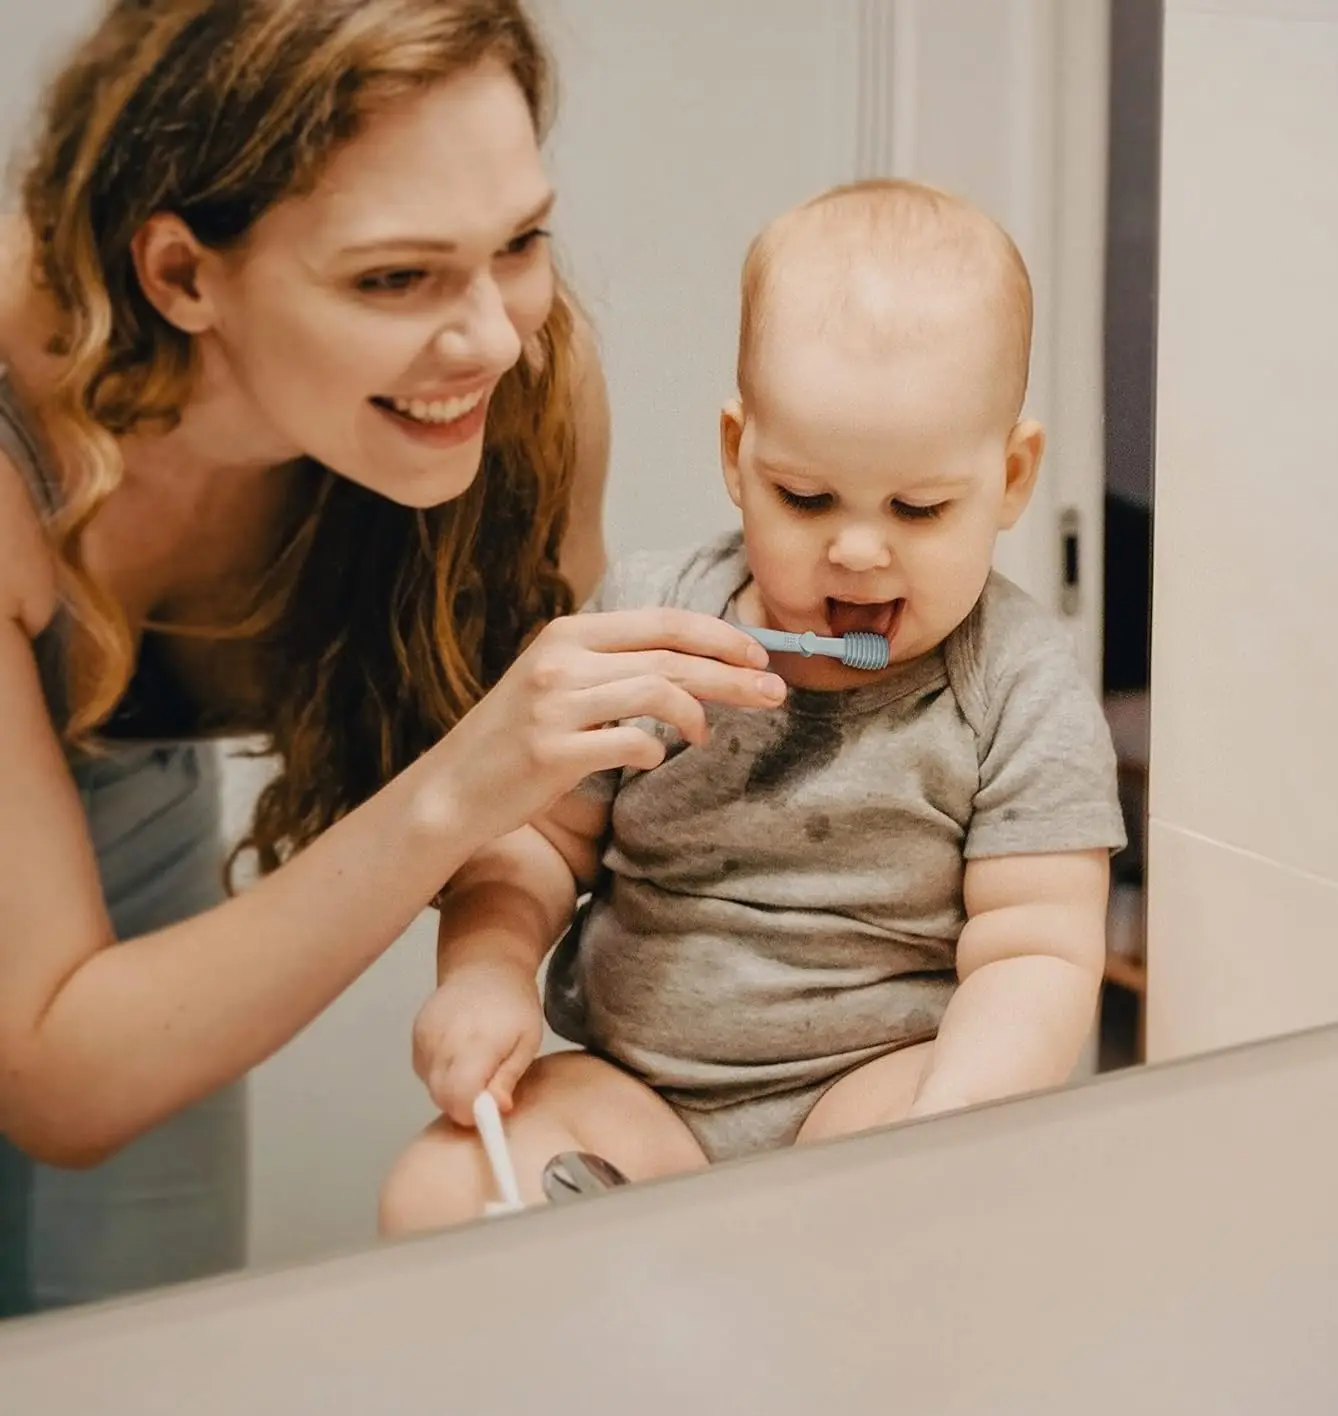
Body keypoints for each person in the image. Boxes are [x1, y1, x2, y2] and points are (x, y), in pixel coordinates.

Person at [0, 0, 786, 1316]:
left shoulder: (519, 387)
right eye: (393, 279)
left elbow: (544, 815)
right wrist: (454, 786)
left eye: (520, 242)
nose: (490, 336)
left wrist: (495, 967)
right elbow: (60, 1078)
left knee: (141, 1342)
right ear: (182, 276)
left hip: (111, 785)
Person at [378, 180, 1128, 1231]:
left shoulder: (1018, 684)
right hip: (637, 1092)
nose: (858, 548)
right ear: (737, 457)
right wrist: (487, 974)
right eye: (805, 497)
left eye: (918, 507)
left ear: (1008, 479)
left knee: (930, 1214)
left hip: (873, 1089)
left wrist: (951, 1121)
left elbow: (1035, 951)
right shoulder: (650, 621)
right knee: (436, 1197)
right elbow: (536, 848)